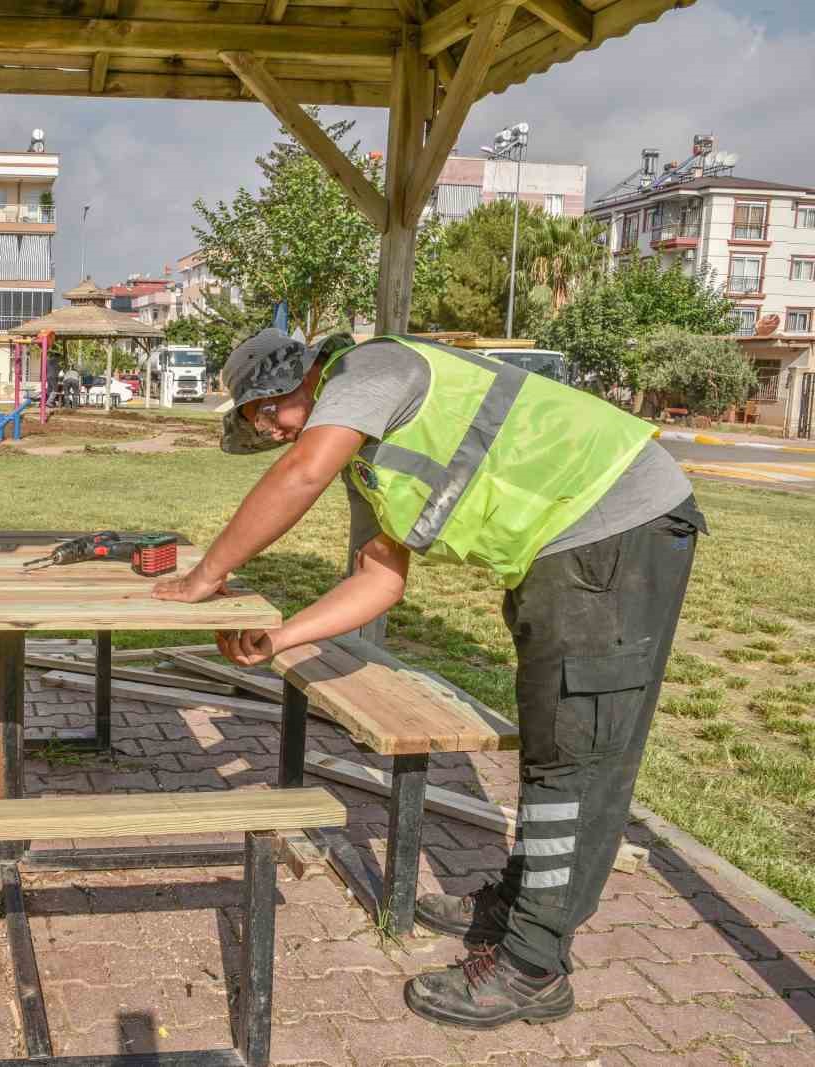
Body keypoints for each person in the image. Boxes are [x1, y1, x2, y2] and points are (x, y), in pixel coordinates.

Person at [154, 328, 702, 1030]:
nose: (272, 430)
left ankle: (533, 964)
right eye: (260, 424)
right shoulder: (368, 461)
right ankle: (519, 903)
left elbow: (300, 475)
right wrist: (280, 637)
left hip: (614, 526)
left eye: (267, 412)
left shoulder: (370, 370)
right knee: (551, 743)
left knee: (576, 754)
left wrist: (207, 576)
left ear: (301, 375)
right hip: (563, 548)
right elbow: (379, 581)